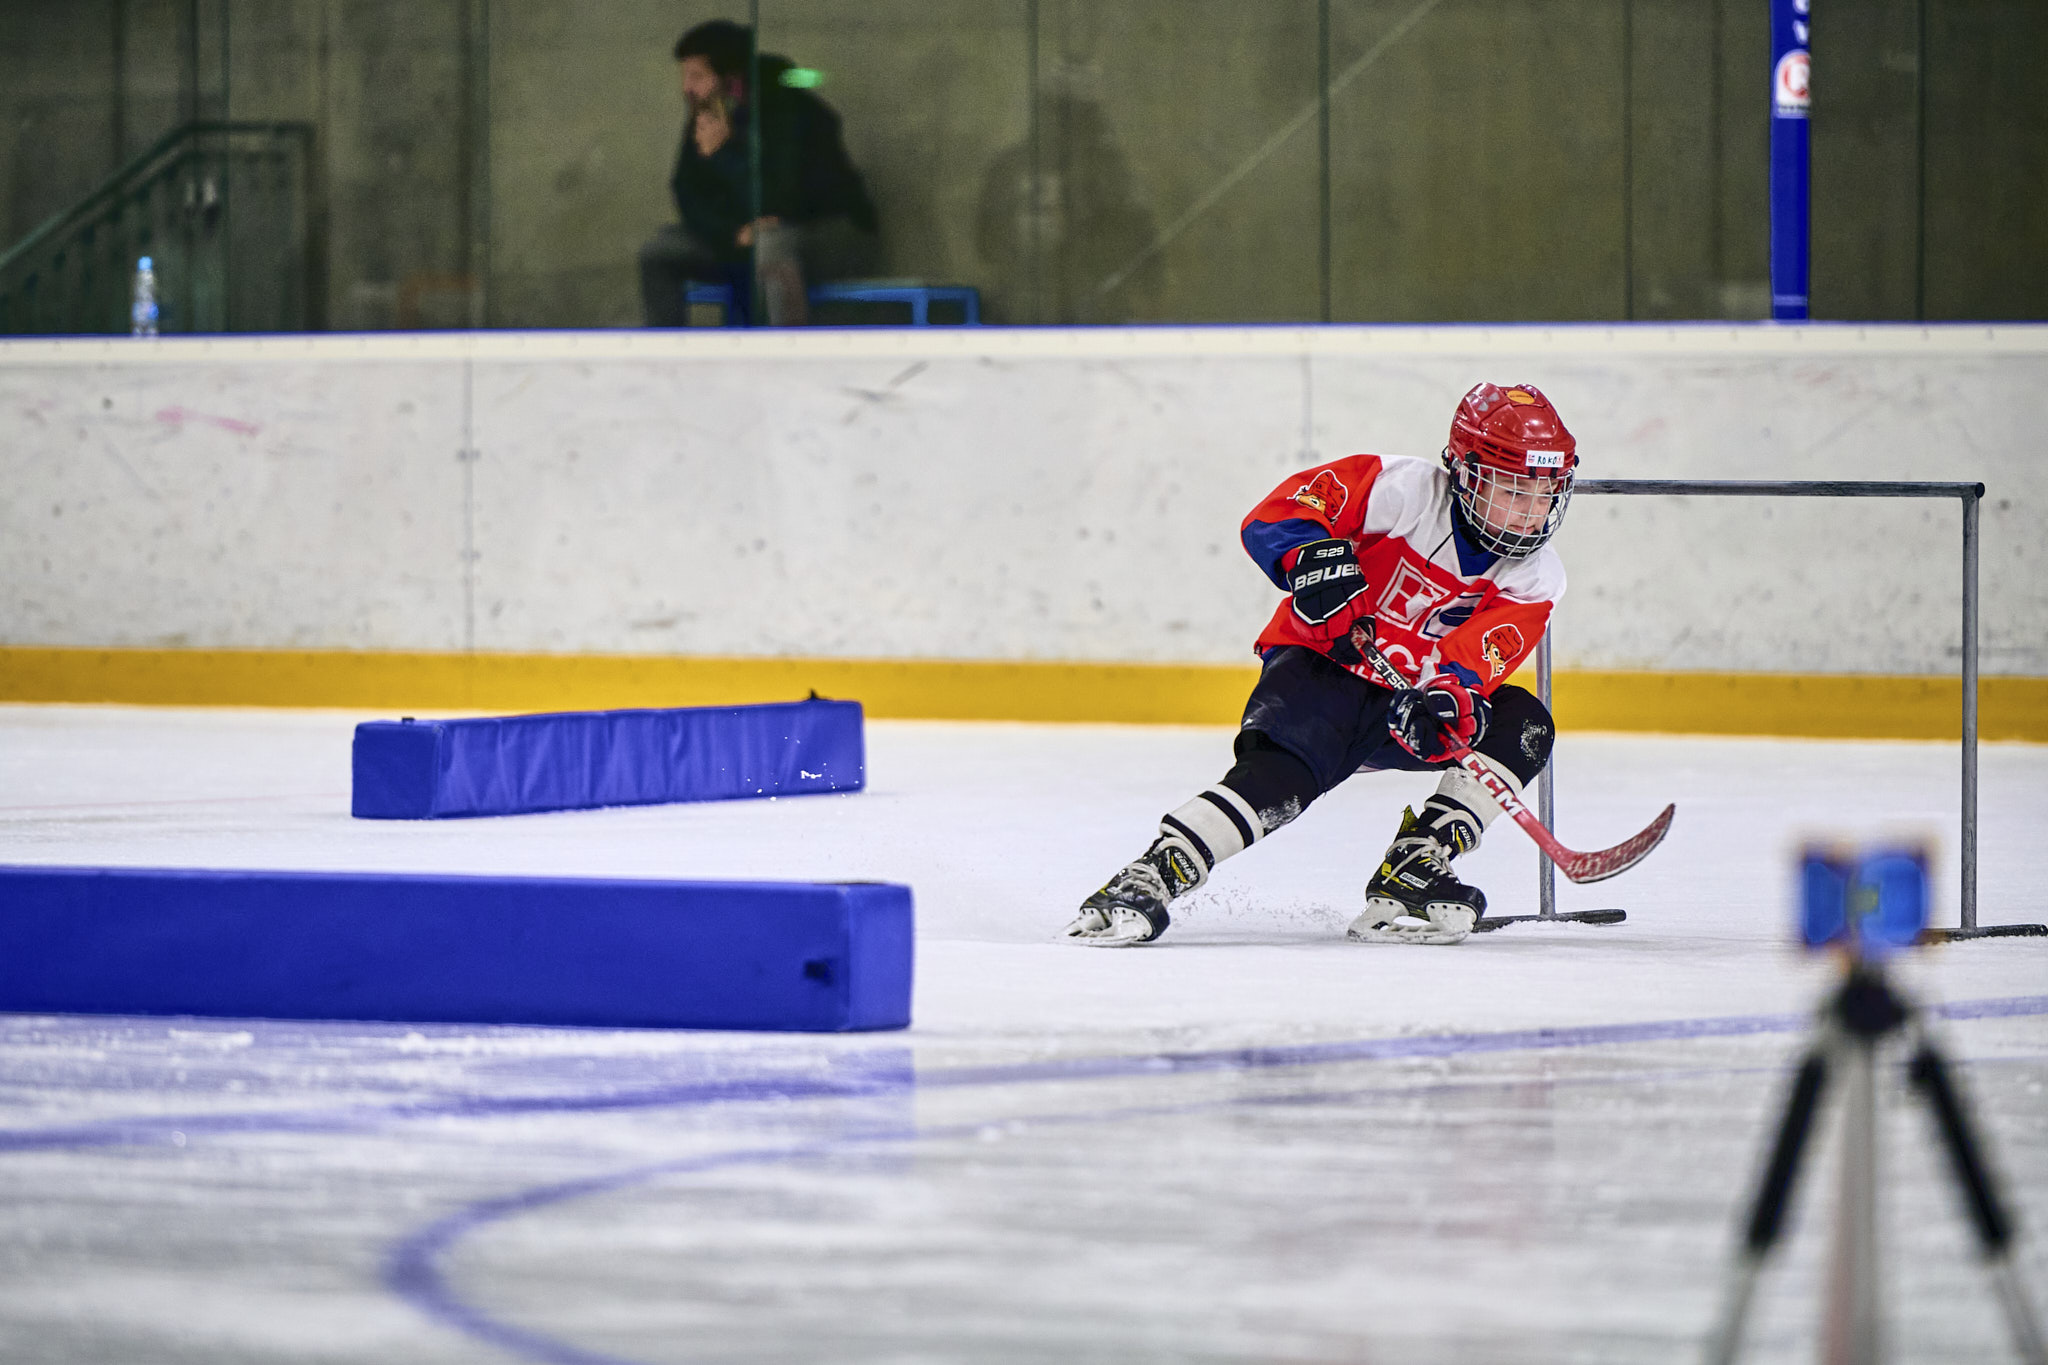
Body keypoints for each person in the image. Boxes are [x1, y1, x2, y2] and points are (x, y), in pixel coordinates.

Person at [1066, 382, 1579, 948]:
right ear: (1462, 471)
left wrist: (1447, 700)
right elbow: (1281, 514)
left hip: (1405, 708)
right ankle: (1151, 875)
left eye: (1543, 493)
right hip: (1319, 668)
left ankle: (1416, 862)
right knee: (1279, 784)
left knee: (1524, 722)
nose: (1529, 513)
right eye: (1511, 489)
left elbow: (1477, 660)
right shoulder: (1400, 489)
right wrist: (1309, 555)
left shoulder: (1537, 577)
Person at [638, 19, 878, 327]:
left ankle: (783, 357)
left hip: (824, 231)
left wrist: (725, 155)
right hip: (744, 235)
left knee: (771, 247)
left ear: (731, 78)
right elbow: (686, 192)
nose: (687, 88)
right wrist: (731, 233)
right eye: (685, 76)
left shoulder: (789, 110)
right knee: (660, 252)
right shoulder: (710, 111)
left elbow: (783, 200)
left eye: (696, 76)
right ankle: (665, 361)